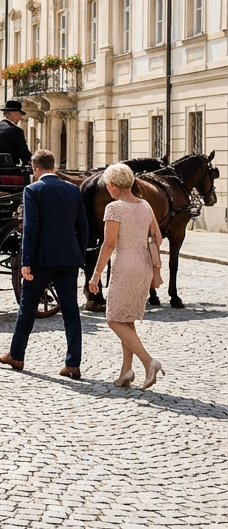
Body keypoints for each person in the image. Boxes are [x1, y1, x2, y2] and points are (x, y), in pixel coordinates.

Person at [0, 149, 88, 379]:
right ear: (53, 166)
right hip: (69, 259)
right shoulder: (73, 190)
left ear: (35, 168)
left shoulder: (33, 190)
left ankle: (16, 355)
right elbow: (84, 227)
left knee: (27, 308)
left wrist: (26, 261)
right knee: (71, 310)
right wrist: (79, 255)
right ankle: (73, 363)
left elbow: (31, 228)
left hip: (42, 260)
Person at [88, 164, 166, 390]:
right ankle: (126, 372)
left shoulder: (114, 208)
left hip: (125, 265)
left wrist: (96, 275)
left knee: (113, 319)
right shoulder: (145, 205)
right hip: (144, 266)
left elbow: (109, 243)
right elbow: (158, 238)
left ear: (112, 185)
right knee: (126, 318)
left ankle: (148, 361)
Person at [0, 100, 32, 171]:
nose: (20, 117)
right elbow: (24, 153)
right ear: (14, 113)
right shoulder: (15, 130)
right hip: (10, 171)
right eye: (20, 114)